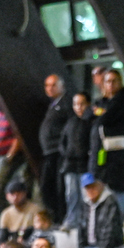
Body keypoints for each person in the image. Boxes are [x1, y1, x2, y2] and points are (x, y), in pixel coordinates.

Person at [91, 69, 124, 206]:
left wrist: (102, 114)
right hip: (101, 151)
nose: (111, 84)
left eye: (114, 81)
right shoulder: (101, 101)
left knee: (118, 189)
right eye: (108, 81)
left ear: (120, 82)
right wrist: (101, 113)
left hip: (119, 152)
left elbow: (106, 118)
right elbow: (90, 116)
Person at [64, 174, 123, 248]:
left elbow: (110, 230)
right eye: (87, 188)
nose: (90, 190)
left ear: (100, 185)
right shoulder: (85, 204)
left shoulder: (110, 202)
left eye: (93, 186)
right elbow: (81, 228)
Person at [39, 74, 71, 222]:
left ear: (61, 86)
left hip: (58, 152)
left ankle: (60, 218)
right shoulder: (52, 104)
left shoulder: (66, 104)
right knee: (46, 187)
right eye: (47, 85)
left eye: (53, 85)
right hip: (48, 152)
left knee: (59, 188)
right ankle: (53, 217)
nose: (49, 88)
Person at [60, 92, 92, 229]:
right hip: (70, 165)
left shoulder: (92, 122)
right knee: (71, 194)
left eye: (82, 104)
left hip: (85, 165)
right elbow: (63, 141)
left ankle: (85, 223)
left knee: (85, 195)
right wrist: (66, 153)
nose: (78, 107)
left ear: (88, 104)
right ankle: (72, 221)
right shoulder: (70, 122)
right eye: (76, 104)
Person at [0, 180, 37, 245]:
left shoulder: (35, 210)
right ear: (7, 196)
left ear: (25, 194)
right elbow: (2, 237)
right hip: (11, 243)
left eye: (18, 194)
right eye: (12, 194)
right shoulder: (6, 213)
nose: (15, 197)